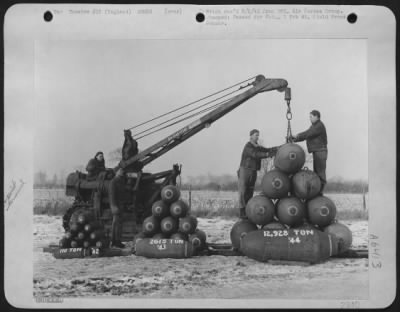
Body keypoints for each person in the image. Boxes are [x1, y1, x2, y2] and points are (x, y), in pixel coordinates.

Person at [238, 129, 278, 219]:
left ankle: (247, 211)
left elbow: (267, 149)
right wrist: (268, 154)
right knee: (243, 191)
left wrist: (278, 148)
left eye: (258, 135)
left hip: (253, 170)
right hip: (245, 169)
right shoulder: (248, 146)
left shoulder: (257, 146)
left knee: (250, 191)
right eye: (256, 135)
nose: (257, 137)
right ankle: (242, 212)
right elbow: (255, 154)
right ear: (251, 136)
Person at [292, 110, 328, 195]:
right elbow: (307, 134)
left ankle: (320, 192)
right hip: (318, 151)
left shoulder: (319, 126)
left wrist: (296, 136)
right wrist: (295, 139)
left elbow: (308, 134)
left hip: (320, 151)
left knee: (320, 172)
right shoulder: (314, 126)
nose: (310, 119)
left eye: (311, 117)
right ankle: (318, 191)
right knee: (317, 172)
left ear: (317, 117)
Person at [108, 168, 127, 248]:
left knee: (119, 224)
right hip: (116, 205)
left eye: (122, 171)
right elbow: (112, 195)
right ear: (116, 172)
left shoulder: (121, 181)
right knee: (115, 223)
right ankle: (114, 241)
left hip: (120, 205)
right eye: (120, 171)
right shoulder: (113, 182)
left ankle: (118, 241)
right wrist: (113, 206)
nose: (122, 172)